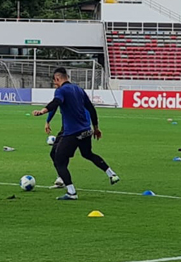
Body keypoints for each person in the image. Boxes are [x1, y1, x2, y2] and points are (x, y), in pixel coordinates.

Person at [32, 67, 119, 201]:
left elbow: (57, 102)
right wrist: (96, 127)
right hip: (86, 130)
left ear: (58, 78)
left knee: (58, 160)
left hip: (72, 132)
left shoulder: (61, 90)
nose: (55, 84)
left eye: (55, 81)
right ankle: (111, 174)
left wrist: (43, 111)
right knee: (87, 154)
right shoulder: (79, 89)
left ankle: (71, 192)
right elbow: (91, 108)